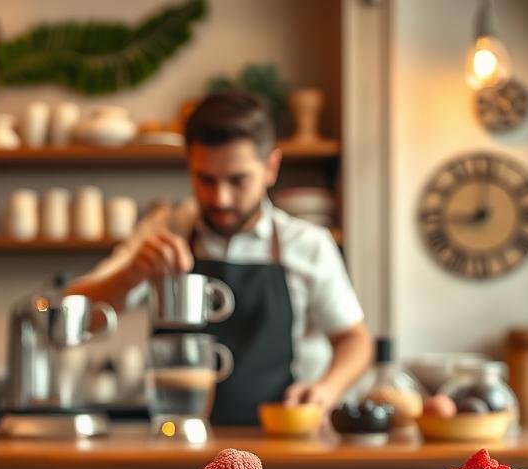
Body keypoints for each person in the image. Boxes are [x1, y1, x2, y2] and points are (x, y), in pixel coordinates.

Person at [67, 92, 373, 426]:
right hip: (179, 438)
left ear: (271, 167)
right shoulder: (164, 231)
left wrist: (326, 390)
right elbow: (77, 321)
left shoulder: (307, 244)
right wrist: (130, 274)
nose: (221, 198)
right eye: (205, 179)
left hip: (278, 437)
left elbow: (355, 340)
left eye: (237, 180)